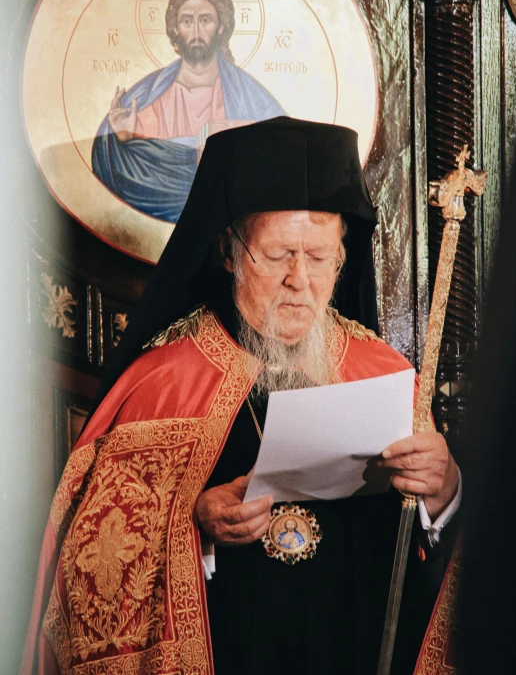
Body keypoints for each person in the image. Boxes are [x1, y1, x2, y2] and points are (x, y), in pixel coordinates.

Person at [23, 117, 460, 675]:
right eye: (279, 255)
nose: (300, 280)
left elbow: (454, 570)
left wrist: (445, 493)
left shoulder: (384, 374)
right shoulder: (160, 387)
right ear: (230, 253)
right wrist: (193, 528)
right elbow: (95, 584)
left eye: (320, 257)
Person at [92, 0, 285, 222]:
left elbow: (281, 153)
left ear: (221, 27)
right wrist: (122, 140)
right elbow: (116, 165)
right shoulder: (149, 97)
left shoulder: (248, 94)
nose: (196, 32)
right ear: (175, 29)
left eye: (205, 20)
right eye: (186, 21)